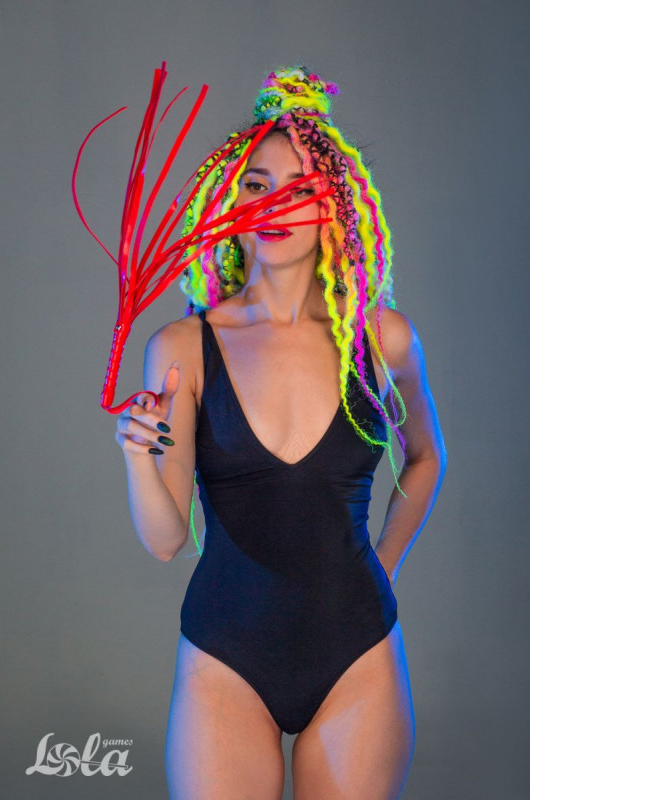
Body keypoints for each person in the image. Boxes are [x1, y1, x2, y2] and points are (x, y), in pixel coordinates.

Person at [115, 67, 447, 800]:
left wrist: (385, 562)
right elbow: (165, 540)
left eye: (300, 188)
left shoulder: (383, 339)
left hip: (357, 650)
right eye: (257, 185)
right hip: (224, 657)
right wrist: (136, 457)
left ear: (336, 206)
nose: (273, 204)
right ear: (232, 202)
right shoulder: (183, 347)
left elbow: (425, 459)